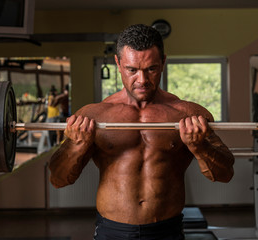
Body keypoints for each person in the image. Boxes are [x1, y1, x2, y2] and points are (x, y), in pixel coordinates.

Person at [49, 24, 235, 240]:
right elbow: (58, 179)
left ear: (163, 62)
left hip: (167, 231)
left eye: (151, 69)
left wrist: (198, 145)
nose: (142, 80)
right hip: (112, 231)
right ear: (118, 63)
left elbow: (225, 174)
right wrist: (76, 145)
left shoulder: (188, 114)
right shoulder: (94, 116)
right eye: (132, 70)